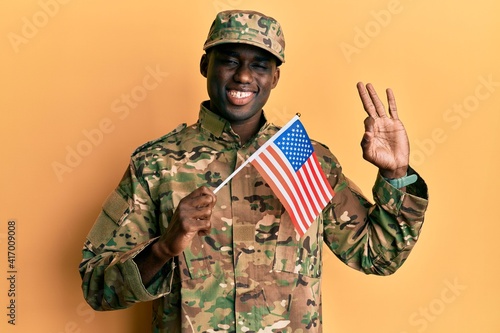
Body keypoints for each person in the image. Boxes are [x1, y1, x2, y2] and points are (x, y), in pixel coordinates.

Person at [79, 9, 429, 333]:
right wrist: (163, 248)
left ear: (275, 77)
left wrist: (397, 174)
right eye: (229, 61)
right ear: (205, 65)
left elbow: (377, 256)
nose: (244, 76)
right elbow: (97, 288)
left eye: (260, 66)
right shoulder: (156, 164)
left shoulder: (307, 159)